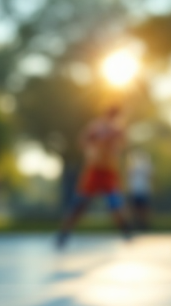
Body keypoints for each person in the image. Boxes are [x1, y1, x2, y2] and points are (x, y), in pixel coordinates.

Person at [56, 104, 133, 248]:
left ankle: (126, 232)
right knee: (79, 204)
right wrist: (91, 149)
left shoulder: (118, 129)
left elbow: (123, 145)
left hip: (109, 172)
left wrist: (115, 144)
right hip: (94, 170)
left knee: (115, 204)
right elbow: (82, 141)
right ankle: (64, 233)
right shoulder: (96, 126)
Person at [127, 150, 153, 231]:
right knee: (134, 209)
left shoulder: (147, 166)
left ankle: (143, 225)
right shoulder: (132, 166)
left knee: (143, 209)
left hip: (143, 190)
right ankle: (134, 225)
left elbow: (151, 177)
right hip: (135, 190)